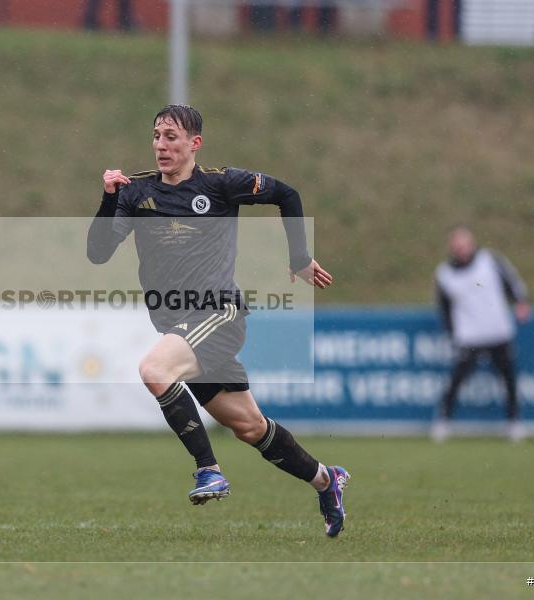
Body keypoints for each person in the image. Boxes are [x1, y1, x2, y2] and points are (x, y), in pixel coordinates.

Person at [87, 104, 350, 537]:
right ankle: (327, 480)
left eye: (172, 137)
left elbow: (287, 194)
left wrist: (300, 258)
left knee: (154, 369)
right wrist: (109, 198)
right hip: (178, 325)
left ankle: (208, 470)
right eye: (156, 135)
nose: (161, 145)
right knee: (249, 426)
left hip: (217, 311)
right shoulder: (135, 192)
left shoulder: (221, 184)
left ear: (195, 143)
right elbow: (98, 253)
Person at [433, 226, 531, 442]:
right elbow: (444, 308)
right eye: (457, 247)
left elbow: (512, 282)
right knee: (456, 380)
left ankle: (514, 422)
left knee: (508, 379)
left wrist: (521, 302)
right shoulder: (445, 274)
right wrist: (452, 333)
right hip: (469, 336)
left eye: (464, 245)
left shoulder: (490, 260)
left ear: (472, 244)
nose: (461, 250)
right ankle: (443, 421)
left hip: (498, 331)